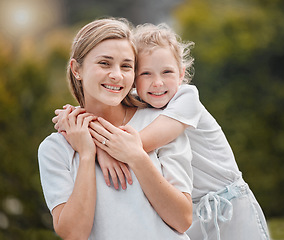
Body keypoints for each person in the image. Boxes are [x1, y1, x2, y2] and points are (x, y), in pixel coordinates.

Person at [54, 23, 271, 240]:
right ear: (134, 80)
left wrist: (94, 144)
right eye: (146, 73)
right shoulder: (144, 103)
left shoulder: (186, 99)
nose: (157, 83)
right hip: (194, 213)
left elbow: (138, 143)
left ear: (181, 74)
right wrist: (76, 118)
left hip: (230, 206)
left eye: (167, 72)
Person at [38, 18, 193, 240]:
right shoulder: (55, 148)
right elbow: (74, 234)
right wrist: (87, 154)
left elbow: (182, 219)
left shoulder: (159, 124)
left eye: (127, 66)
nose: (117, 75)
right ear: (76, 69)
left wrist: (136, 157)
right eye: (104, 63)